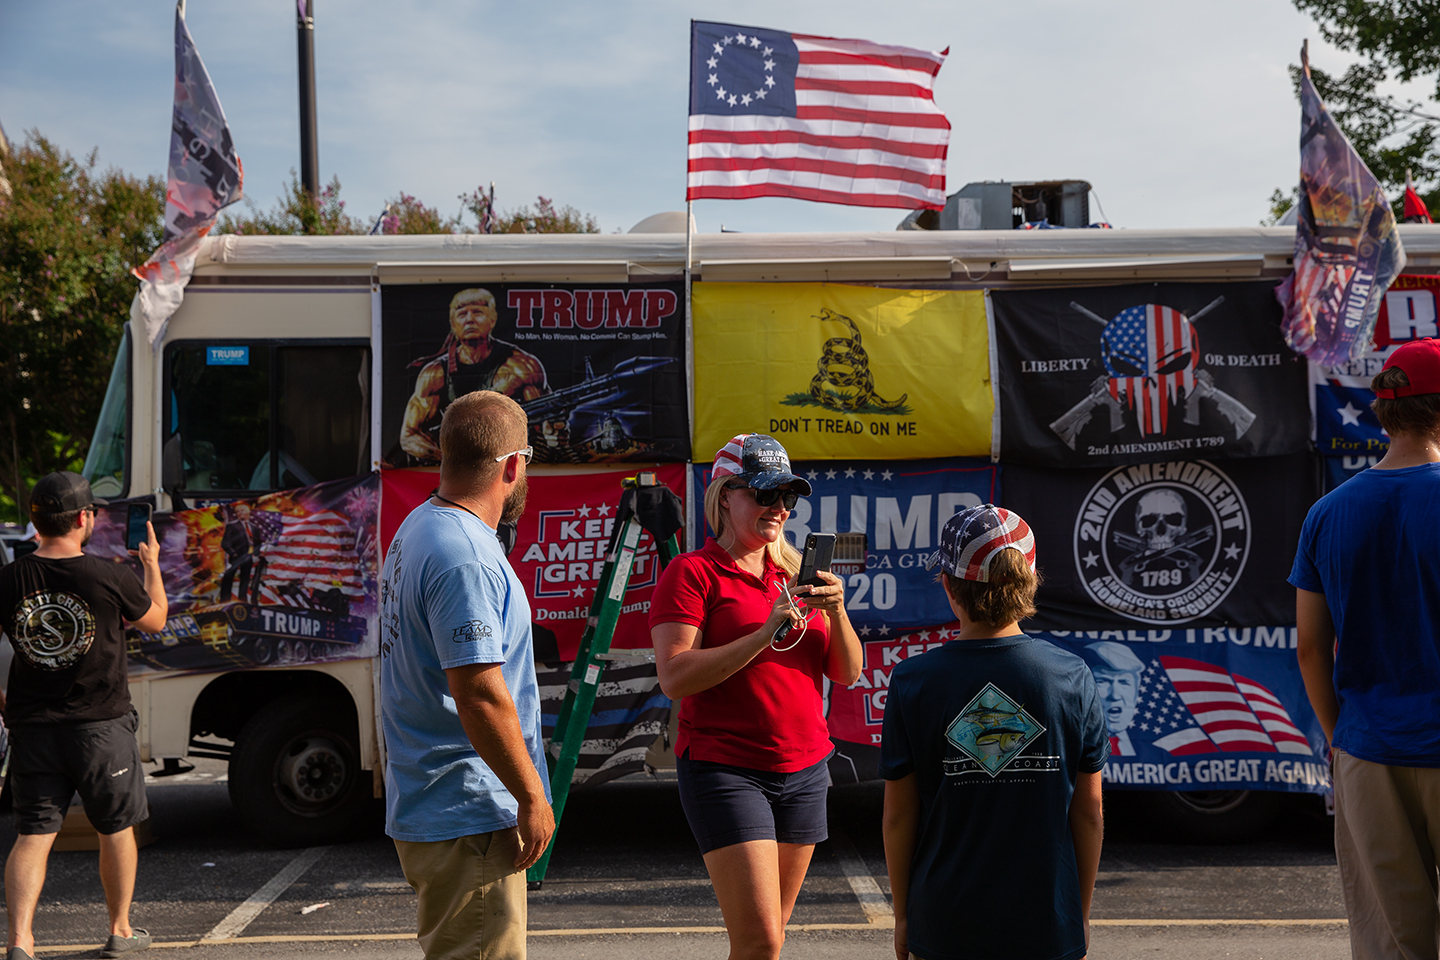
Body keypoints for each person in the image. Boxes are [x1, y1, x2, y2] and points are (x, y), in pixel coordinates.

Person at [649, 433, 862, 960]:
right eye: (764, 494)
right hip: (727, 768)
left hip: (806, 768)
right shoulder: (692, 572)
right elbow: (674, 677)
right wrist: (763, 634)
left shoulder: (794, 575)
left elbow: (849, 672)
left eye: (787, 497)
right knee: (760, 940)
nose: (779, 508)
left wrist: (836, 610)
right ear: (726, 496)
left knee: (768, 940)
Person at [880, 505, 1107, 960]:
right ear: (1029, 580)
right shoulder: (1071, 676)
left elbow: (898, 818)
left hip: (944, 923)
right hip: (1048, 923)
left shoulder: (913, 681)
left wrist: (904, 917)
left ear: (947, 585)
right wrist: (1078, 914)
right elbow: (1089, 813)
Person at [380, 390, 554, 960]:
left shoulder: (420, 528)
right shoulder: (464, 555)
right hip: (469, 811)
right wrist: (532, 797)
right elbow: (478, 692)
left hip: (445, 806)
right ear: (512, 465)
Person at [1291, 337, 1440, 960]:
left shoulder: (1327, 513)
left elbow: (1309, 648)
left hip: (1367, 748)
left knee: (1392, 939)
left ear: (1384, 411)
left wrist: (1339, 734)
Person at [0, 471, 167, 960]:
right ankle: (120, 932)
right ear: (84, 518)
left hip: (32, 727)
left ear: (36, 522)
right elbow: (155, 620)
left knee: (34, 833)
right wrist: (150, 564)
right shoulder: (109, 574)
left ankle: (20, 943)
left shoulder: (9, 580)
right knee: (114, 828)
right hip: (101, 727)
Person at [398, 289, 550, 463]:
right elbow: (409, 436)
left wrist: (555, 434)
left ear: (492, 319)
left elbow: (545, 426)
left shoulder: (522, 366)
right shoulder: (435, 373)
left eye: (477, 312)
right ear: (453, 324)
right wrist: (453, 463)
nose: (469, 319)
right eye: (462, 314)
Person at [1079, 641, 1145, 756]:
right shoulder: (1067, 752)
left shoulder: (1157, 753)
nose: (1115, 695)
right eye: (1102, 681)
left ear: (1135, 691)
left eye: (1124, 682)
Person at [218, 501, 266, 604]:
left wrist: (256, 554)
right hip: (237, 555)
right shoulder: (232, 526)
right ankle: (225, 599)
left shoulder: (254, 527)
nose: (239, 513)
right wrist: (234, 554)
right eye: (237, 512)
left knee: (245, 578)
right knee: (229, 576)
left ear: (247, 512)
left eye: (242, 511)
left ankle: (242, 599)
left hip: (249, 556)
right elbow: (225, 543)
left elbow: (258, 542)